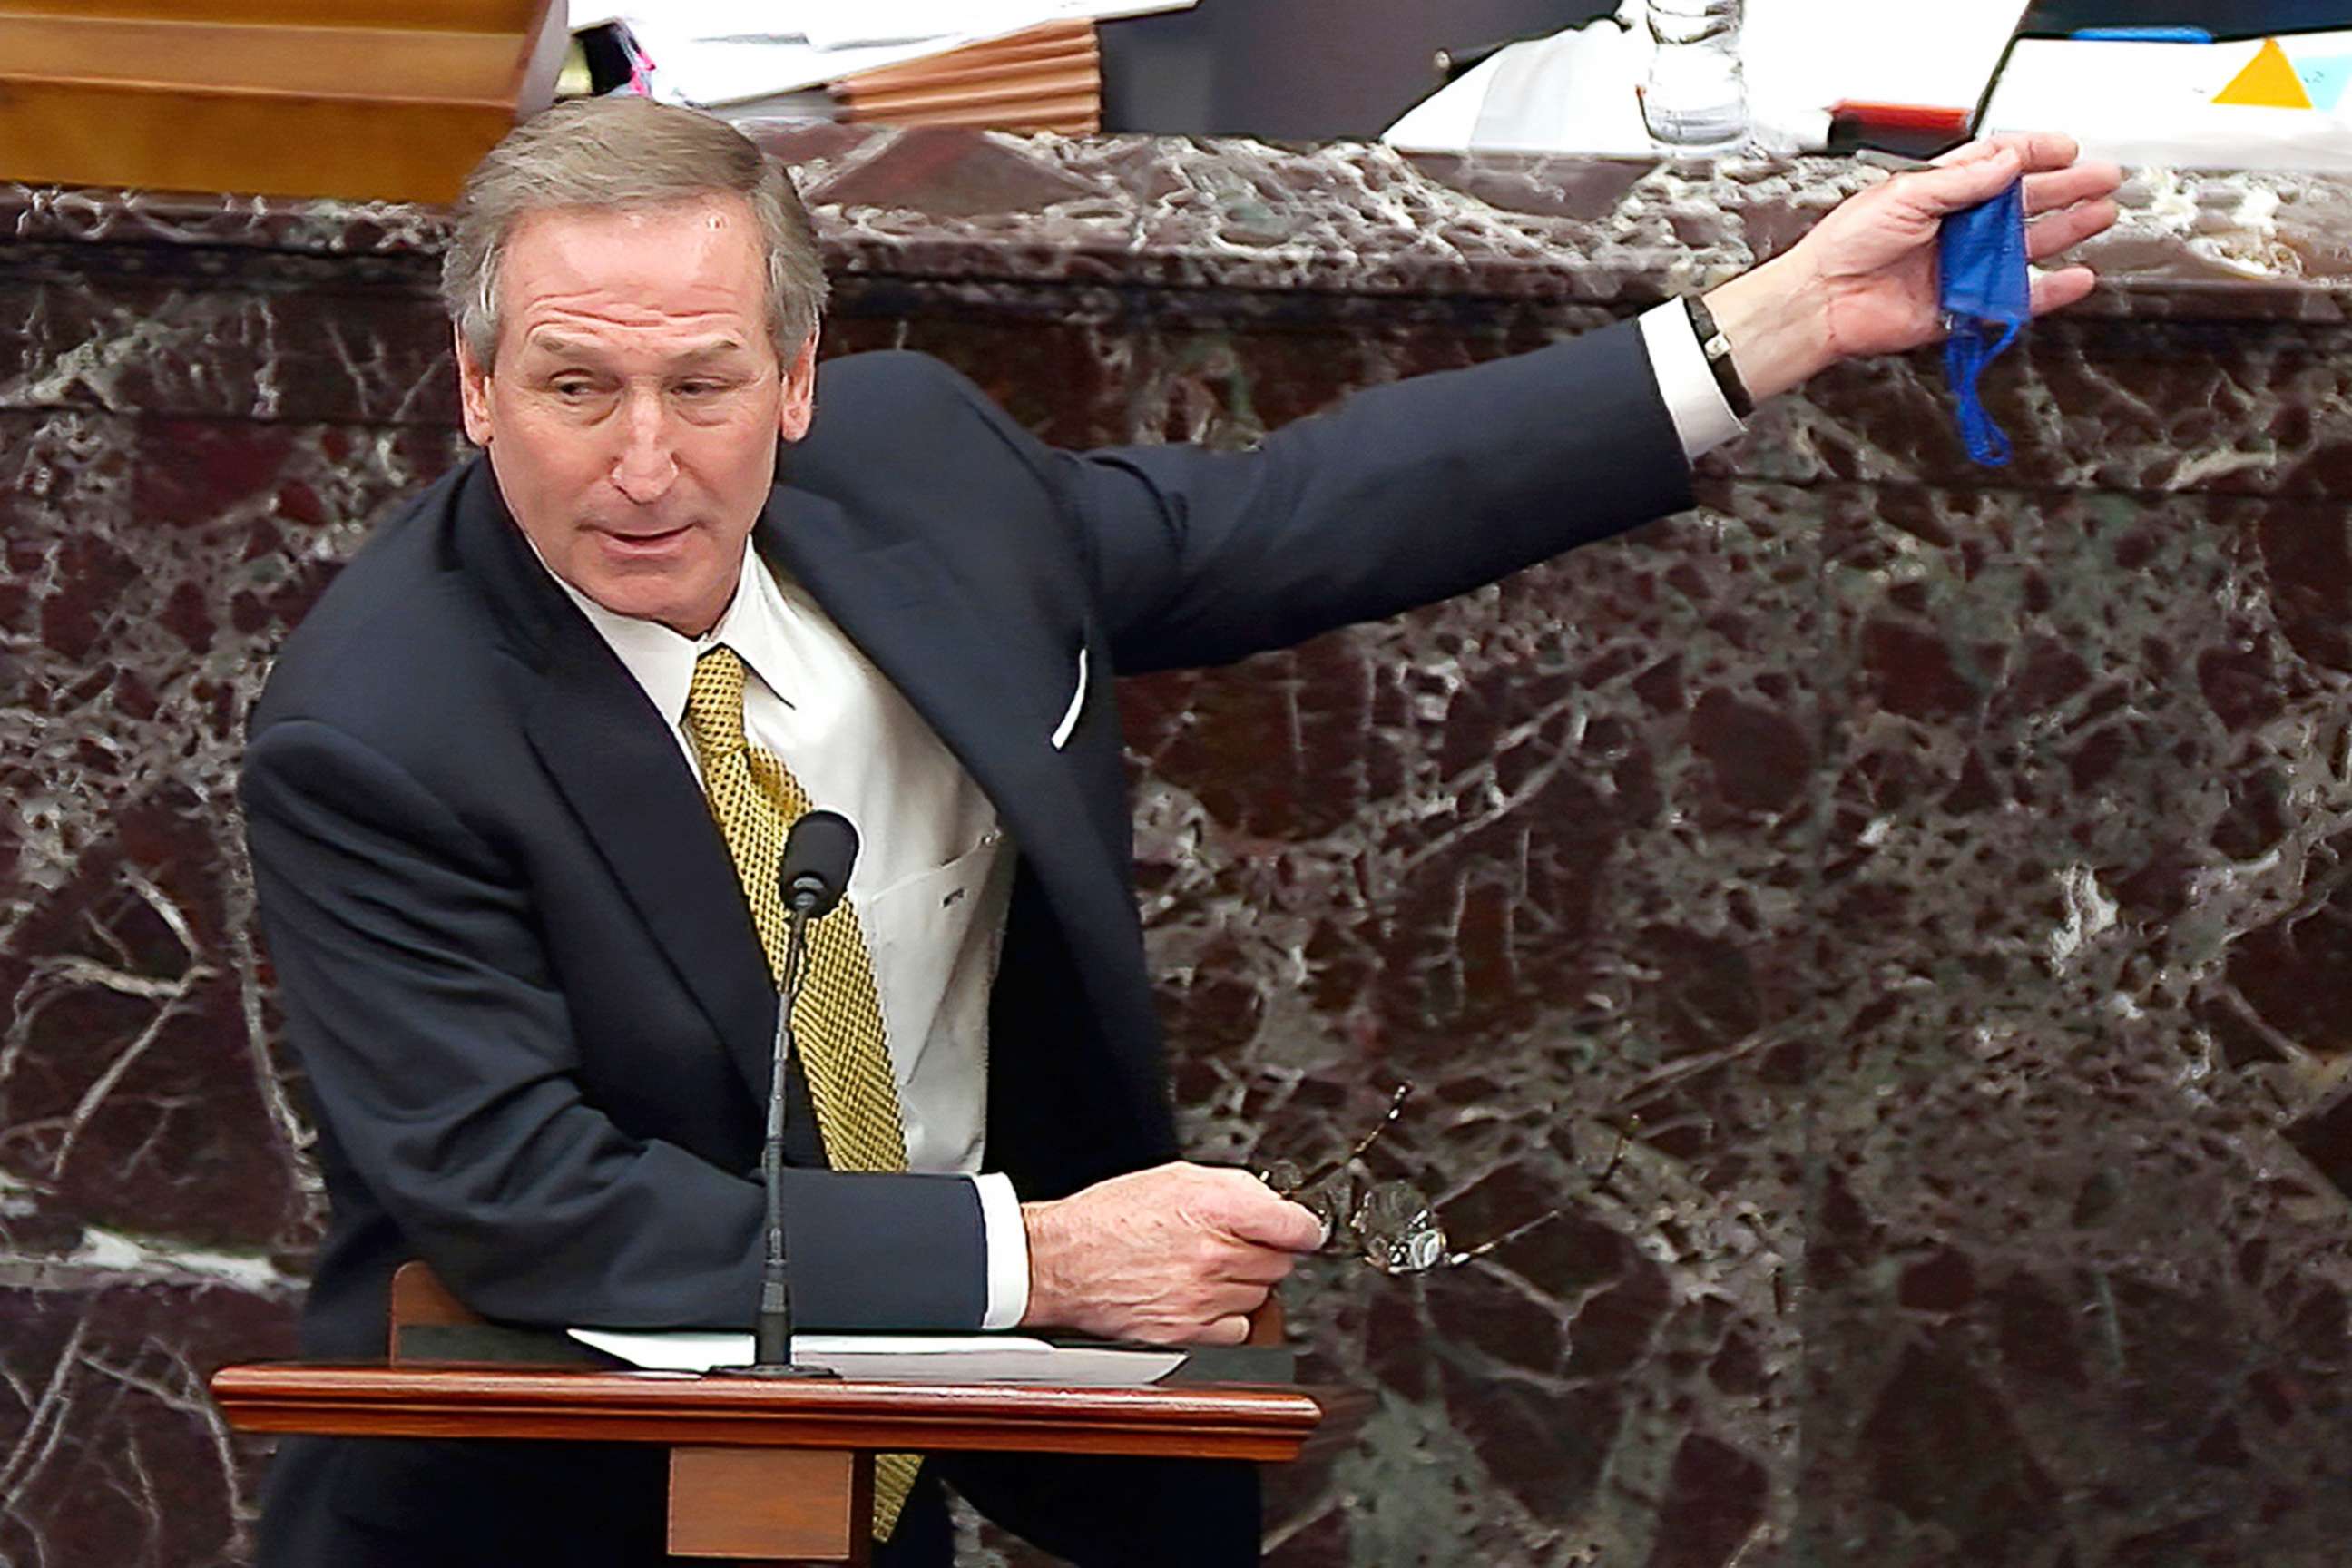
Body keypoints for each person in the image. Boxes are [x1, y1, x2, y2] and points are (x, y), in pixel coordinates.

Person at [239, 97, 2121, 1567]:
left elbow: (1295, 516)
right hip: (543, 1503)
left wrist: (1780, 317)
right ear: (478, 389)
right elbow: (535, 1206)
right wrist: (1038, 1266)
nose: (641, 462)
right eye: (574, 389)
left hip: (888, 1464)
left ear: (795, 383)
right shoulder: (379, 732)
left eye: (701, 384)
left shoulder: (918, 473)